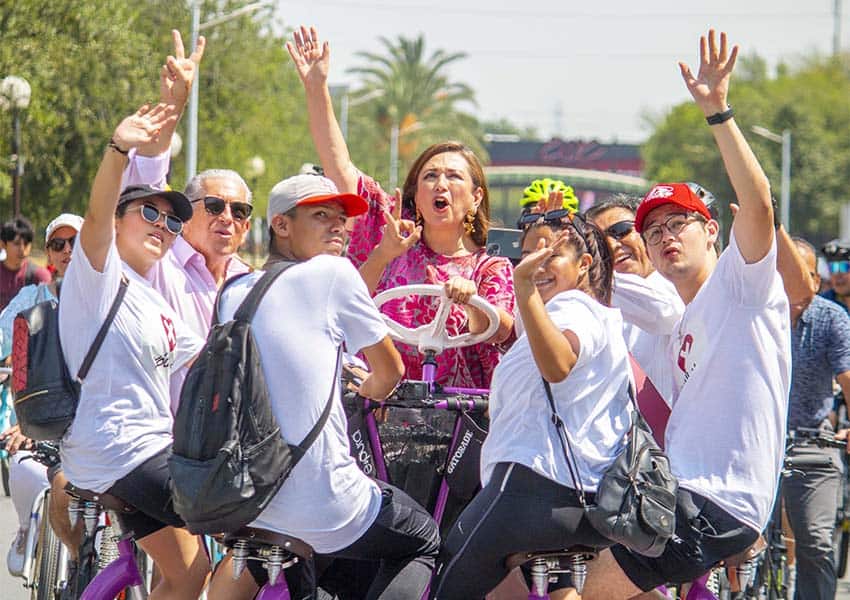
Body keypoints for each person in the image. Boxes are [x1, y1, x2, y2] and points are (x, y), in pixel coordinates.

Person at [580, 30, 791, 598]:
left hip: (715, 498)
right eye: (654, 229)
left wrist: (718, 111)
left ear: (712, 230)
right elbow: (651, 412)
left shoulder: (742, 282)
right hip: (678, 492)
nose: (664, 236)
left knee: (589, 590)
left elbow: (761, 200)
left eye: (680, 224)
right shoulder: (675, 324)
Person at [206, 173, 440, 600]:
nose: (339, 226)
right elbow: (389, 372)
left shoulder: (233, 290)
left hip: (239, 495)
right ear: (281, 225)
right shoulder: (333, 272)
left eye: (341, 217)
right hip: (323, 502)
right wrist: (369, 390)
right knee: (424, 539)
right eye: (321, 215)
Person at [287, 25, 515, 389]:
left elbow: (502, 330)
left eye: (454, 177)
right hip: (378, 411)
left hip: (460, 417)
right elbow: (339, 167)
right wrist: (317, 88)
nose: (440, 184)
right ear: (415, 194)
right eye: (430, 176)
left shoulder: (490, 267)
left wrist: (471, 301)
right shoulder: (389, 227)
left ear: (476, 197)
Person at [430, 212, 631, 600]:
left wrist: (522, 286)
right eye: (525, 256)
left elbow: (557, 365)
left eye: (547, 254)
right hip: (583, 502)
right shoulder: (561, 316)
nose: (533, 264)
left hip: (532, 488)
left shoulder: (574, 307)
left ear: (584, 264)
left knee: (444, 574)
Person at [58, 104, 209, 598]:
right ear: (119, 222)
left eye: (172, 223)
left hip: (142, 455)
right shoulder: (98, 275)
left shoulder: (156, 303)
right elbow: (97, 211)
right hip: (122, 449)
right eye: (148, 213)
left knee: (190, 574)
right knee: (249, 516)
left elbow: (209, 360)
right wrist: (119, 150)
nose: (161, 226)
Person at [0, 213, 82, 576]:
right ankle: (25, 529)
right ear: (49, 252)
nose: (67, 251)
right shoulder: (30, 299)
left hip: (97, 424)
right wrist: (25, 423)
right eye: (58, 244)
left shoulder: (114, 295)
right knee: (21, 466)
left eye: (76, 242)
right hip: (45, 421)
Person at [781, 236, 850, 600]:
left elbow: (847, 377)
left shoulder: (831, 318)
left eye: (801, 276)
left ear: (815, 281)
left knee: (817, 545)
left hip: (813, 443)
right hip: (758, 444)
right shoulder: (755, 313)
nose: (789, 285)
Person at [585, 195, 683, 406]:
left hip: (669, 433)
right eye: (599, 244)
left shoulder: (674, 283)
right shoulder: (592, 309)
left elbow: (665, 313)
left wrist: (587, 277)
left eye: (620, 231)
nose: (611, 245)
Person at [0, 217, 51, 312]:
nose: (22, 249)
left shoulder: (39, 277)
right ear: (3, 244)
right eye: (16, 243)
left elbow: (47, 314)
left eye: (26, 244)